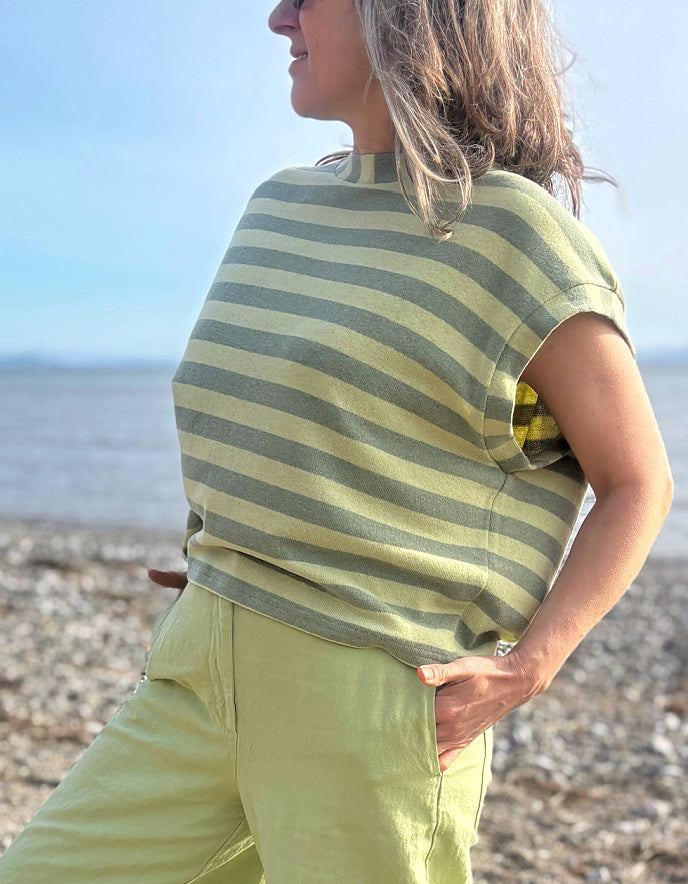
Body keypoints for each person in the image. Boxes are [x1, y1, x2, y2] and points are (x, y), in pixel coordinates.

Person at [0, 0, 673, 882]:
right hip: (200, 661)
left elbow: (638, 481)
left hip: (372, 701)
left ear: (408, 17)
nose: (278, 18)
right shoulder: (276, 207)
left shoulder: (515, 236)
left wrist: (531, 665)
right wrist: (237, 540)